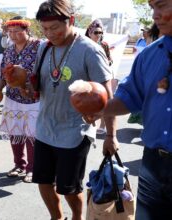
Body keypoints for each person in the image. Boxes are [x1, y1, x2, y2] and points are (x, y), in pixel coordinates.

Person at [26, 0, 118, 219]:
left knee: (69, 188)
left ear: (72, 21)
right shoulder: (43, 47)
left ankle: (77, 217)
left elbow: (108, 96)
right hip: (45, 128)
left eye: (55, 27)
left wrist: (111, 135)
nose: (49, 34)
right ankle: (57, 217)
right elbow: (37, 85)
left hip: (75, 132)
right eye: (45, 29)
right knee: (43, 181)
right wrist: (21, 81)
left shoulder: (90, 50)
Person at [83, 0, 172, 218]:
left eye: (161, 6)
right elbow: (130, 97)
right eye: (152, 8)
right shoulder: (149, 55)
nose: (155, 15)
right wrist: (100, 109)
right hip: (153, 165)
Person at [0, 16, 40, 183]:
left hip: (34, 98)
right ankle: (19, 165)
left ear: (26, 30)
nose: (13, 35)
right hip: (13, 98)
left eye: (17, 32)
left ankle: (32, 169)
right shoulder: (8, 50)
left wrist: (30, 86)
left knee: (32, 135)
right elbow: (2, 74)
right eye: (10, 32)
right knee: (15, 133)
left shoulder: (38, 47)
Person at [85, 19, 113, 135]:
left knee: (103, 101)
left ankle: (103, 125)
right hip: (88, 80)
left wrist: (105, 63)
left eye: (100, 32)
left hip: (101, 78)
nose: (98, 35)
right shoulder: (84, 44)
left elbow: (110, 59)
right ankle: (90, 124)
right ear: (90, 32)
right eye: (96, 32)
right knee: (88, 102)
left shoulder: (104, 45)